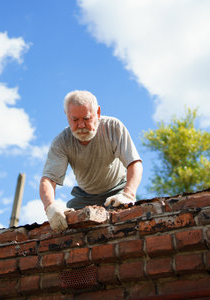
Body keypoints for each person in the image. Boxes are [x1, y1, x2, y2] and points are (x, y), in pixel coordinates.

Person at [40, 90, 143, 231]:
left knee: (129, 225)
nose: (81, 125)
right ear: (67, 116)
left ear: (98, 113)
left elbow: (134, 163)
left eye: (87, 118)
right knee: (66, 228)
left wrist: (128, 194)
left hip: (118, 191)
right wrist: (50, 206)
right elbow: (48, 180)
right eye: (75, 120)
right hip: (84, 197)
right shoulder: (62, 142)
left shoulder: (113, 127)